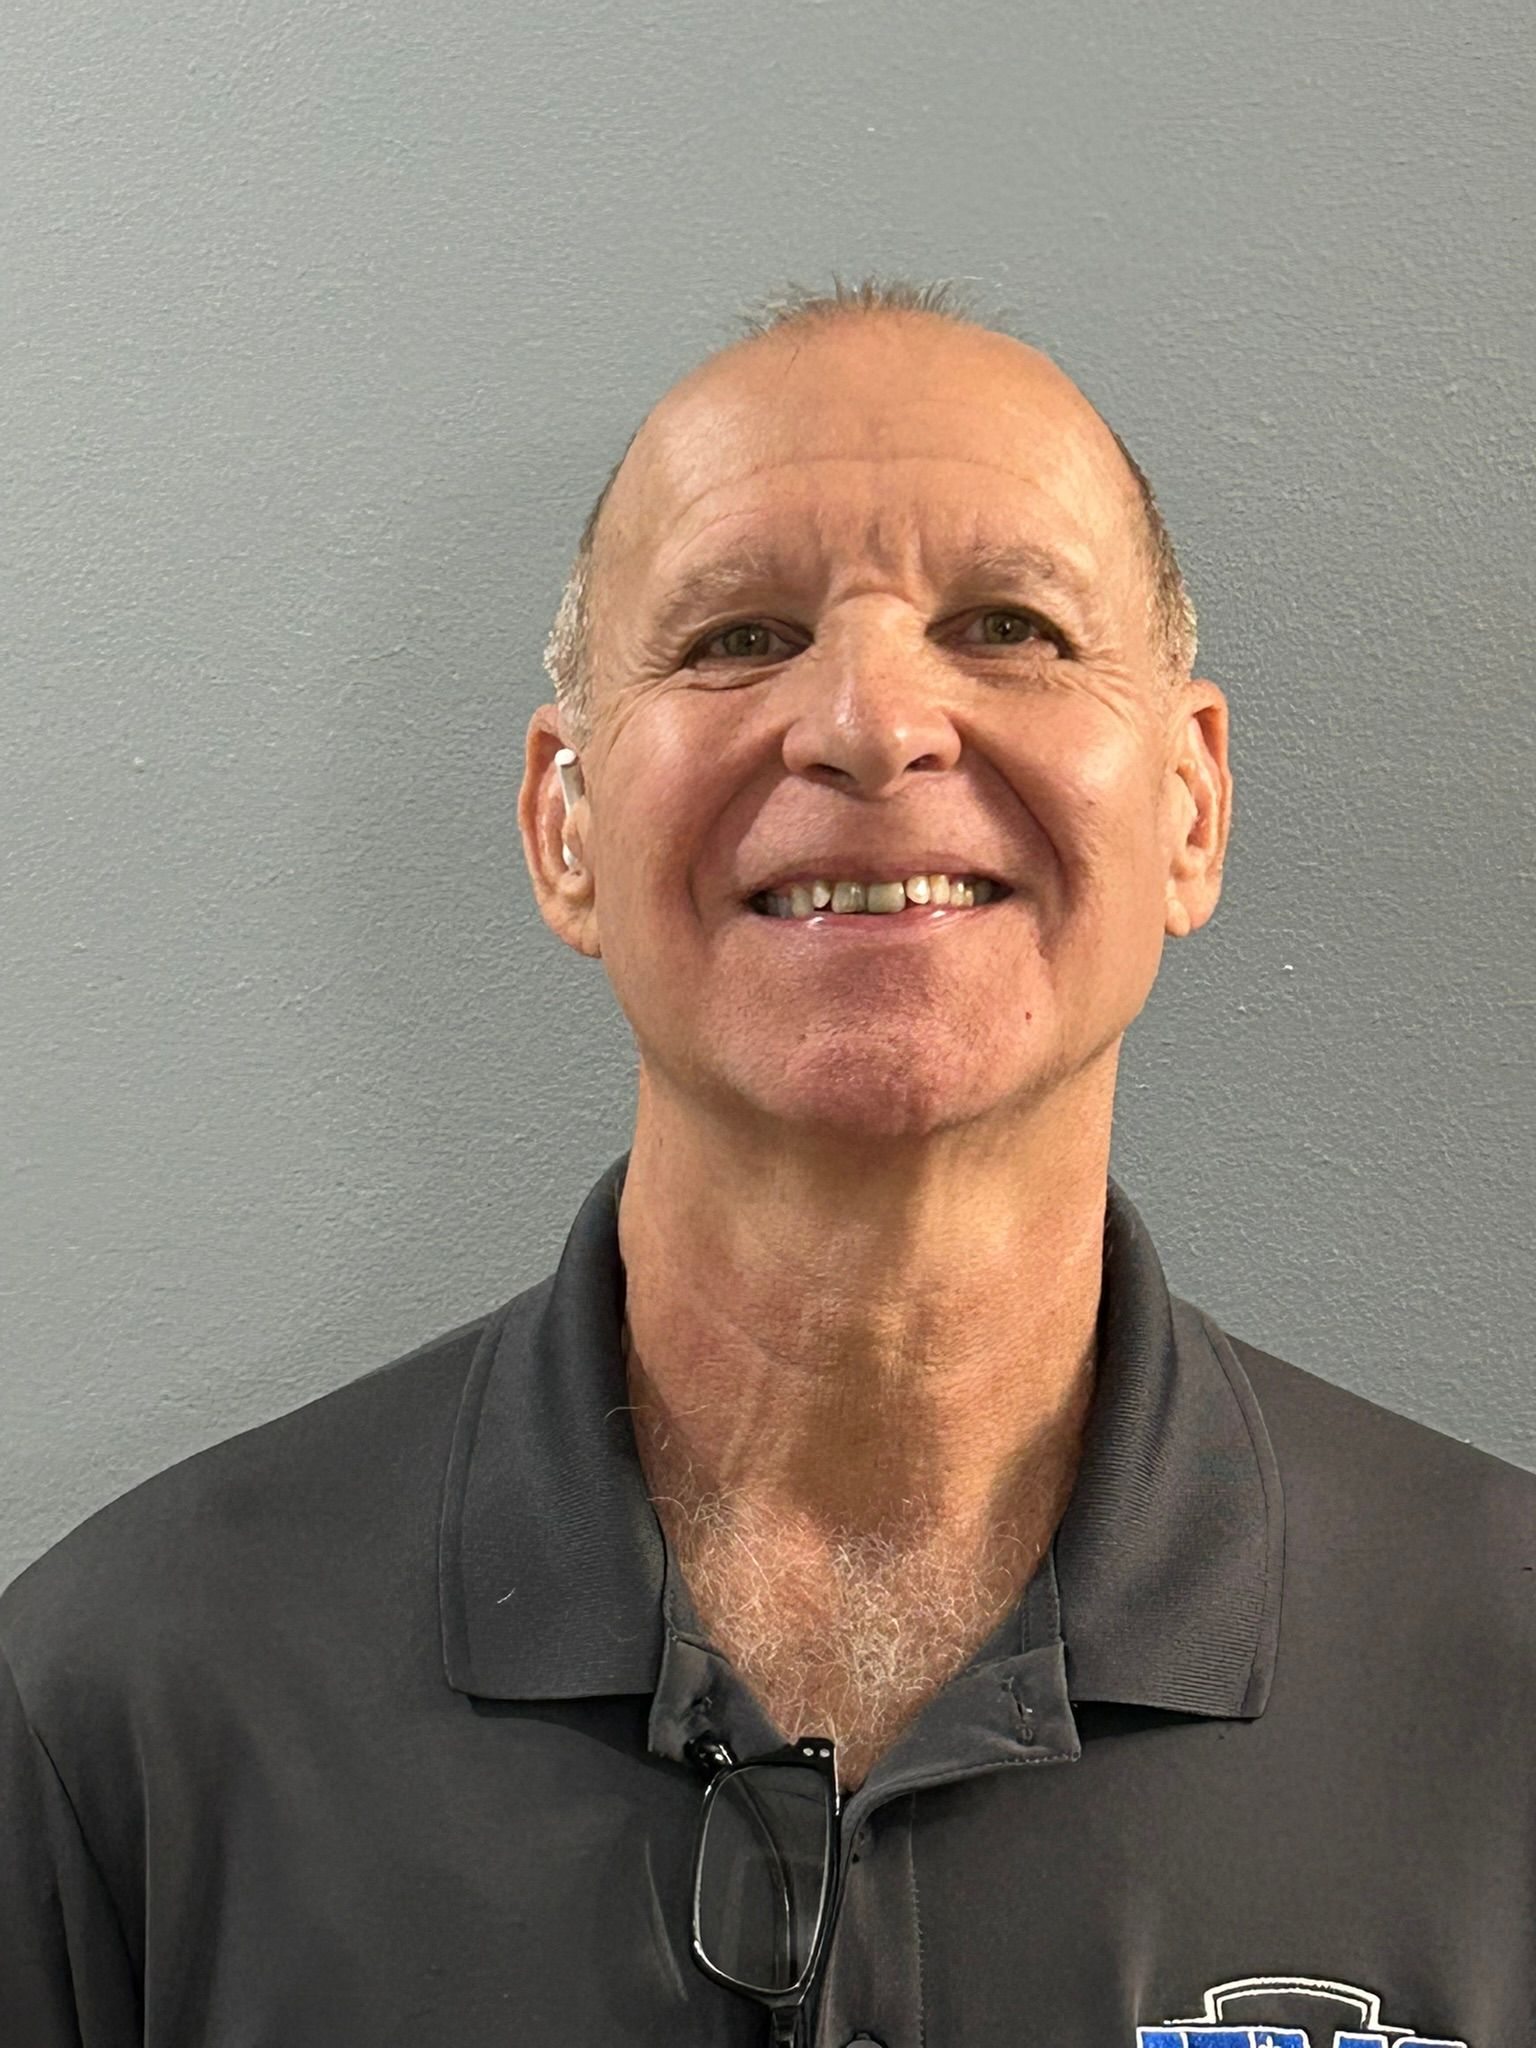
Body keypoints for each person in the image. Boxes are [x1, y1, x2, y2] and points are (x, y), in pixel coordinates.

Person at [2, 277, 1529, 2047]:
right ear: (564, 826)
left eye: (1011, 626)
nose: (872, 724)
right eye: (737, 638)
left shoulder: (1504, 1687)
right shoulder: (128, 1708)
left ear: (1189, 805)